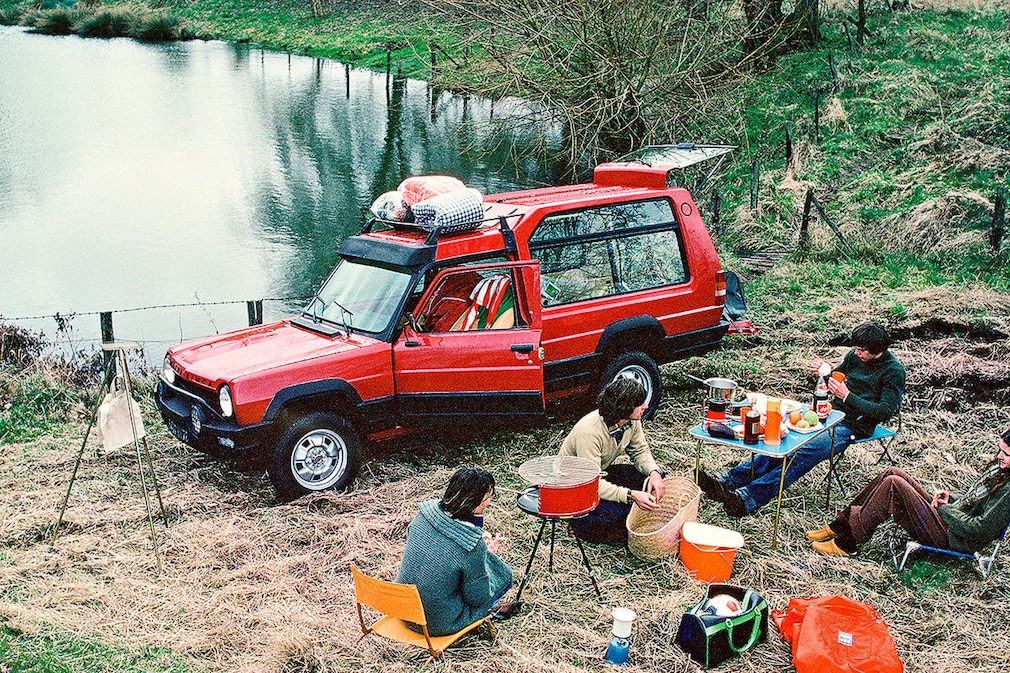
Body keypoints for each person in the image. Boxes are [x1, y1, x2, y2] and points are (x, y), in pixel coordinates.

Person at [698, 321, 906, 516]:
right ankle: (728, 481)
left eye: (862, 351)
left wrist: (847, 395)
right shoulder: (854, 356)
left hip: (854, 425)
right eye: (856, 348)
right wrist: (824, 372)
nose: (857, 353)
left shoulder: (893, 371)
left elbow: (884, 411)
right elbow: (835, 376)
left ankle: (747, 499)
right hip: (828, 413)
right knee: (780, 438)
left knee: (803, 453)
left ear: (877, 350)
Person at [808, 427, 1010, 556]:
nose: (1000, 456)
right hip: (953, 520)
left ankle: (848, 542)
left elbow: (979, 530)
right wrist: (952, 500)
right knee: (893, 472)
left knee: (894, 484)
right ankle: (841, 524)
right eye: (999, 450)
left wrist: (944, 510)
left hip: (955, 538)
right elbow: (976, 503)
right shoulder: (1002, 470)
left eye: (1006, 453)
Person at [396, 466, 514, 636]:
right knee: (504, 575)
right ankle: (492, 612)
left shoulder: (423, 514)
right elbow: (478, 598)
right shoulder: (472, 546)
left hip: (403, 608)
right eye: (487, 498)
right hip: (436, 623)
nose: (489, 502)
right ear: (473, 502)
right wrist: (486, 558)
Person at [559, 377, 666, 545]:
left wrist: (654, 472)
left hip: (600, 473)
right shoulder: (589, 433)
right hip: (577, 488)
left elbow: (639, 450)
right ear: (625, 407)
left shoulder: (632, 420)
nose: (645, 406)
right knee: (617, 513)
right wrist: (630, 496)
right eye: (640, 404)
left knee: (653, 481)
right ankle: (580, 525)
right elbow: (592, 484)